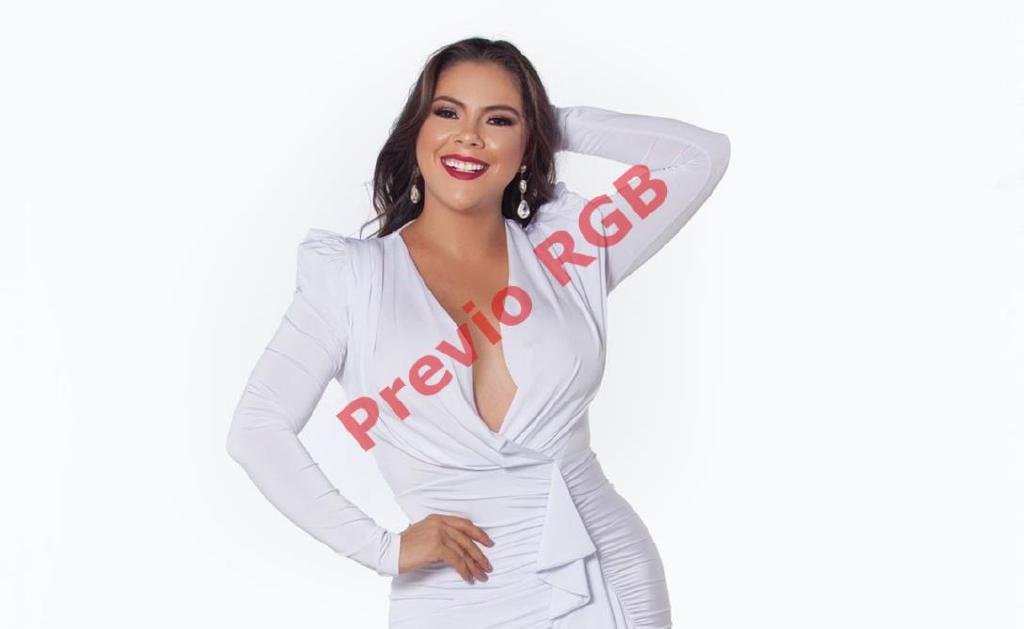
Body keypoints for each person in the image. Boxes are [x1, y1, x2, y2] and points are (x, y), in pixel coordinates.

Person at [226, 37, 730, 628]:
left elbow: (700, 156)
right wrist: (382, 549)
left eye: (498, 120)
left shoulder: (569, 253)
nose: (468, 136)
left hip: (605, 573)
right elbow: (257, 428)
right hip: (451, 595)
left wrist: (548, 121)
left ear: (527, 143)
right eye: (448, 112)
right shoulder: (351, 278)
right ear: (416, 130)